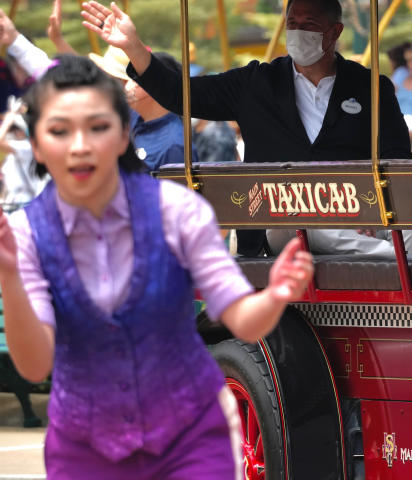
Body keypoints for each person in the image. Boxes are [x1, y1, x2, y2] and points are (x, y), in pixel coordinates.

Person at [0, 55, 314, 479]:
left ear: (122, 135)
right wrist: (10, 279)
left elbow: (242, 319)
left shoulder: (179, 211)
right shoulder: (24, 233)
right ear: (36, 144)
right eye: (59, 131)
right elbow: (35, 366)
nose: (80, 145)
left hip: (191, 436)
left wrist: (274, 295)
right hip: (84, 446)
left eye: (97, 127)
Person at [80, 0, 412, 258]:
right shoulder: (256, 84)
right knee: (309, 223)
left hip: (361, 212)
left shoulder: (369, 87)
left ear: (334, 32)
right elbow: (182, 94)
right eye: (293, 23)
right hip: (282, 217)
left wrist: (369, 213)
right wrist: (134, 48)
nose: (299, 31)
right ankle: (391, 258)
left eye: (310, 25)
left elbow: (397, 160)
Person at [89, 47, 196, 171]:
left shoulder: (174, 146)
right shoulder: (136, 118)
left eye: (136, 80)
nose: (128, 85)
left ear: (155, 86)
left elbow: (177, 190)